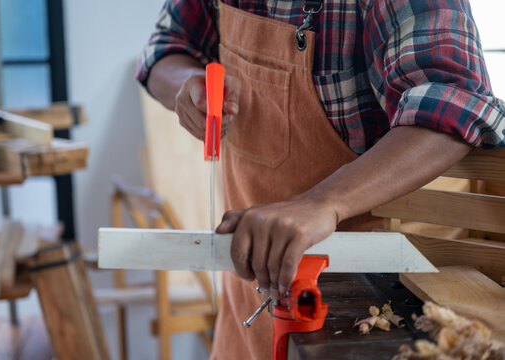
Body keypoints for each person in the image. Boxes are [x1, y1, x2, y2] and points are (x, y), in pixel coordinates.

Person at [138, 0, 505, 358]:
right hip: (250, 306)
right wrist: (188, 86)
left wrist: (321, 203)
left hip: (375, 305)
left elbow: (453, 100)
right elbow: (165, 48)